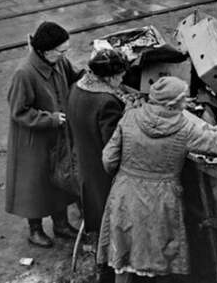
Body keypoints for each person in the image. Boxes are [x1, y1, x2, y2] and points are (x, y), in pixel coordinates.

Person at [97, 77, 217, 282]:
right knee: (158, 251)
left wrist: (126, 176)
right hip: (160, 199)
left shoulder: (129, 117)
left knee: (123, 249)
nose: (187, 102)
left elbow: (108, 159)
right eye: (184, 99)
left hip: (125, 193)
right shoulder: (184, 128)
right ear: (171, 104)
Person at [6, 22, 83, 248]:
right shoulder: (24, 73)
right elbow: (18, 111)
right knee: (36, 185)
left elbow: (74, 75)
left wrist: (90, 73)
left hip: (58, 135)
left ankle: (61, 224)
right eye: (61, 51)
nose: (64, 55)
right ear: (45, 50)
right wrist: (49, 119)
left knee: (60, 178)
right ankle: (35, 230)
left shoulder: (58, 61)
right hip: (34, 140)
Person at [67, 49, 127, 283]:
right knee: (111, 227)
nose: (122, 80)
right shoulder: (107, 102)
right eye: (120, 76)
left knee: (98, 220)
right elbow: (112, 147)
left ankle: (103, 264)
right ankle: (108, 272)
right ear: (110, 77)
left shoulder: (77, 88)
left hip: (85, 165)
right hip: (103, 175)